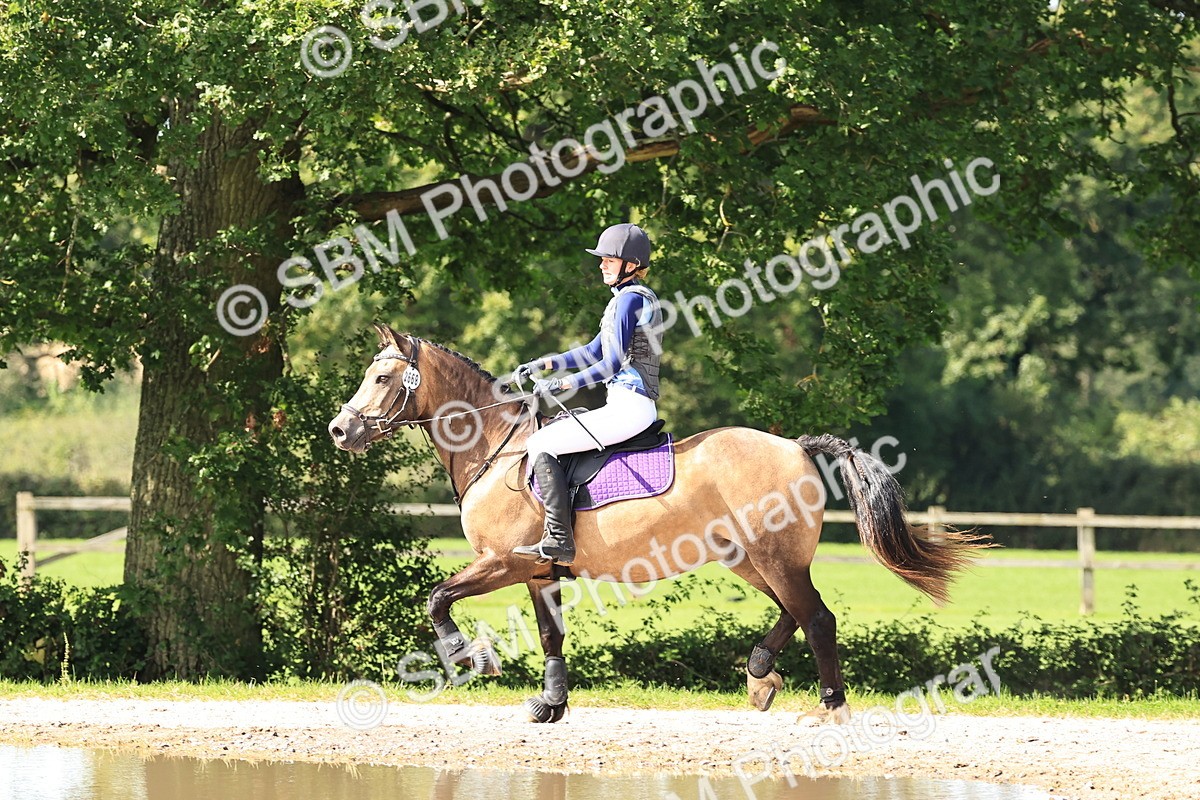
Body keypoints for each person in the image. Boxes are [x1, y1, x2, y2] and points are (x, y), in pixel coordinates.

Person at [509, 223, 663, 565]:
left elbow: (609, 366)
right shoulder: (623, 301)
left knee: (539, 443)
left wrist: (561, 385)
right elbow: (593, 351)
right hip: (627, 405)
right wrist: (545, 364)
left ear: (631, 264)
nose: (602, 265)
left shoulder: (630, 301)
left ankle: (560, 540)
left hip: (629, 407)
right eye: (603, 259)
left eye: (609, 259)